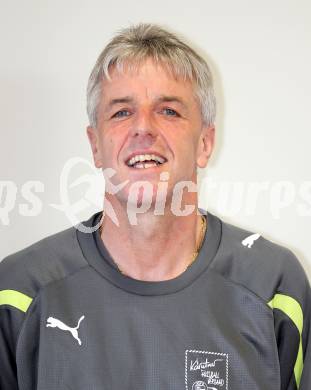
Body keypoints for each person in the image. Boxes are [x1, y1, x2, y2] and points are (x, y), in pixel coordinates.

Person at [0, 23, 310, 390]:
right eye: (121, 112)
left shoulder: (273, 286)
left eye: (168, 111)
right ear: (95, 145)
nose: (143, 128)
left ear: (206, 143)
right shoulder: (19, 292)